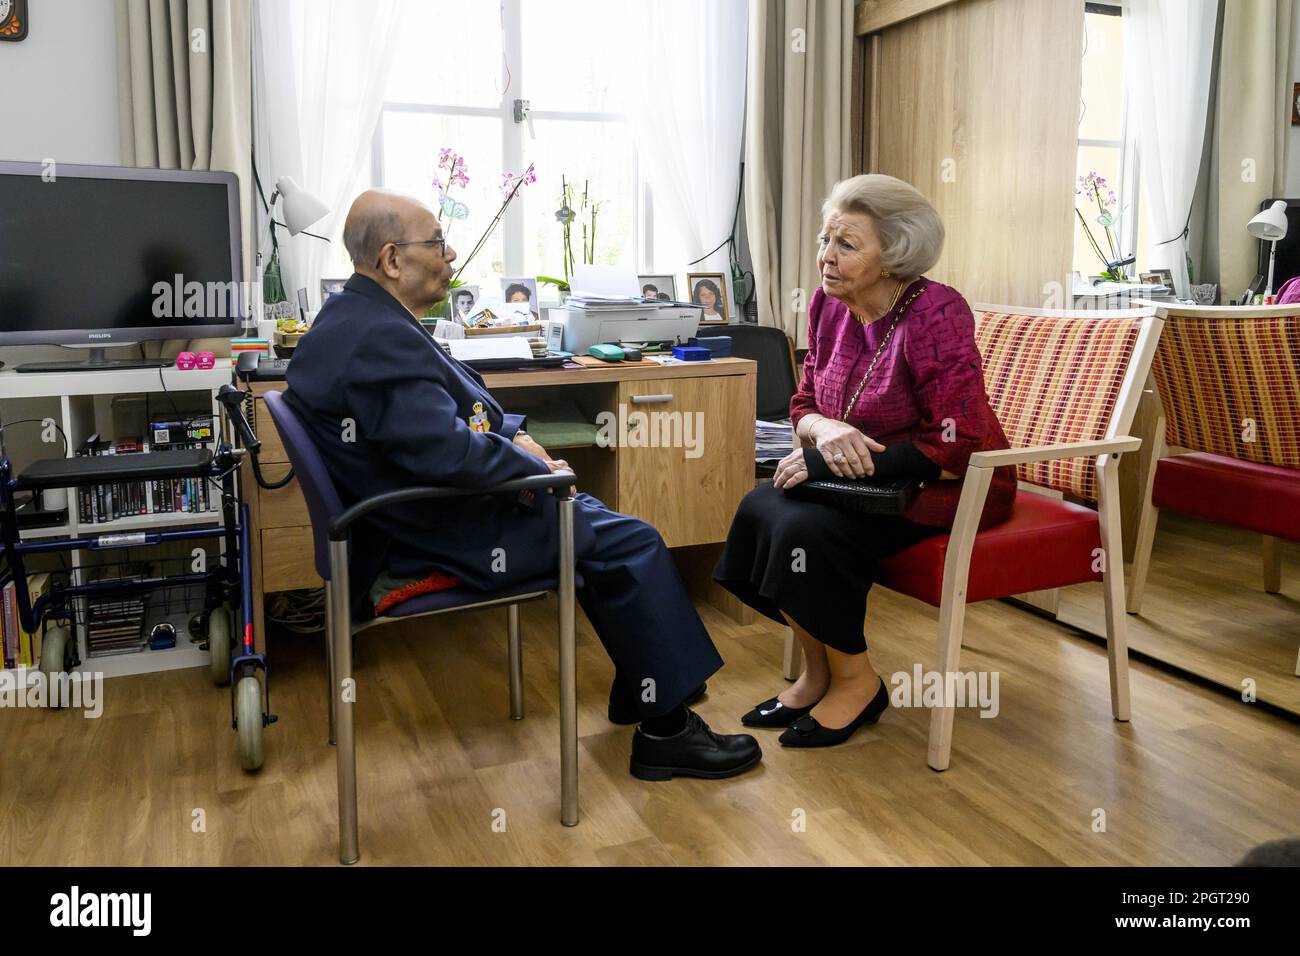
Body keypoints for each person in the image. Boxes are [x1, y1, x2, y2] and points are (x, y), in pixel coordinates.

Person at [286, 190, 761, 780]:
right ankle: (666, 733)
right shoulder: (378, 337)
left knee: (596, 527)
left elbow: (445, 417)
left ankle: (648, 686)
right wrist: (535, 471)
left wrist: (512, 435)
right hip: (437, 530)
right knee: (631, 542)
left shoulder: (352, 318)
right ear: (391, 259)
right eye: (436, 242)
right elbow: (446, 452)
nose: (451, 252)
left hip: (414, 513)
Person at [713, 174, 1016, 748]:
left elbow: (955, 445)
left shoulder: (936, 313)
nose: (826, 257)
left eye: (846, 245)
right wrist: (824, 428)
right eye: (826, 240)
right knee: (762, 507)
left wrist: (825, 466)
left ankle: (857, 683)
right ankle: (817, 672)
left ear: (895, 253)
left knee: (806, 527)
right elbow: (802, 403)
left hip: (949, 483)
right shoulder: (830, 305)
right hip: (865, 483)